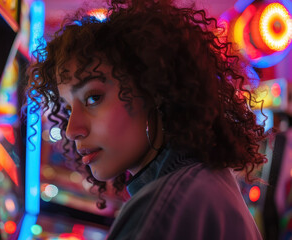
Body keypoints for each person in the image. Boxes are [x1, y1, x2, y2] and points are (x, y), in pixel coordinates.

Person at [26, 0, 268, 239]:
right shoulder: (205, 179)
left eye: (93, 98)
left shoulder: (163, 208)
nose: (71, 130)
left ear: (154, 90)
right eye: (68, 109)